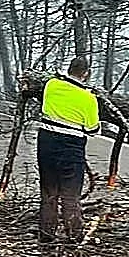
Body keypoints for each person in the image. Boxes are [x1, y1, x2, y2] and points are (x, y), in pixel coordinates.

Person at [37, 56, 100, 242]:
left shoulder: (51, 85)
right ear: (86, 74)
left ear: (69, 69)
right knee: (70, 195)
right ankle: (74, 235)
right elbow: (92, 129)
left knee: (49, 192)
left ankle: (46, 235)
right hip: (71, 146)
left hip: (46, 142)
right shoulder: (88, 98)